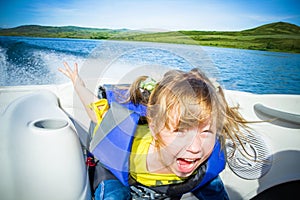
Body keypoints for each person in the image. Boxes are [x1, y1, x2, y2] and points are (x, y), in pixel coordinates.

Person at [59, 62, 251, 200]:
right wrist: (78, 83)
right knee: (114, 195)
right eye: (180, 131)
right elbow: (95, 110)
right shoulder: (129, 141)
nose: (195, 148)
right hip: (121, 171)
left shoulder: (205, 159)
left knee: (211, 184)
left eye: (206, 132)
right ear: (154, 126)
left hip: (174, 177)